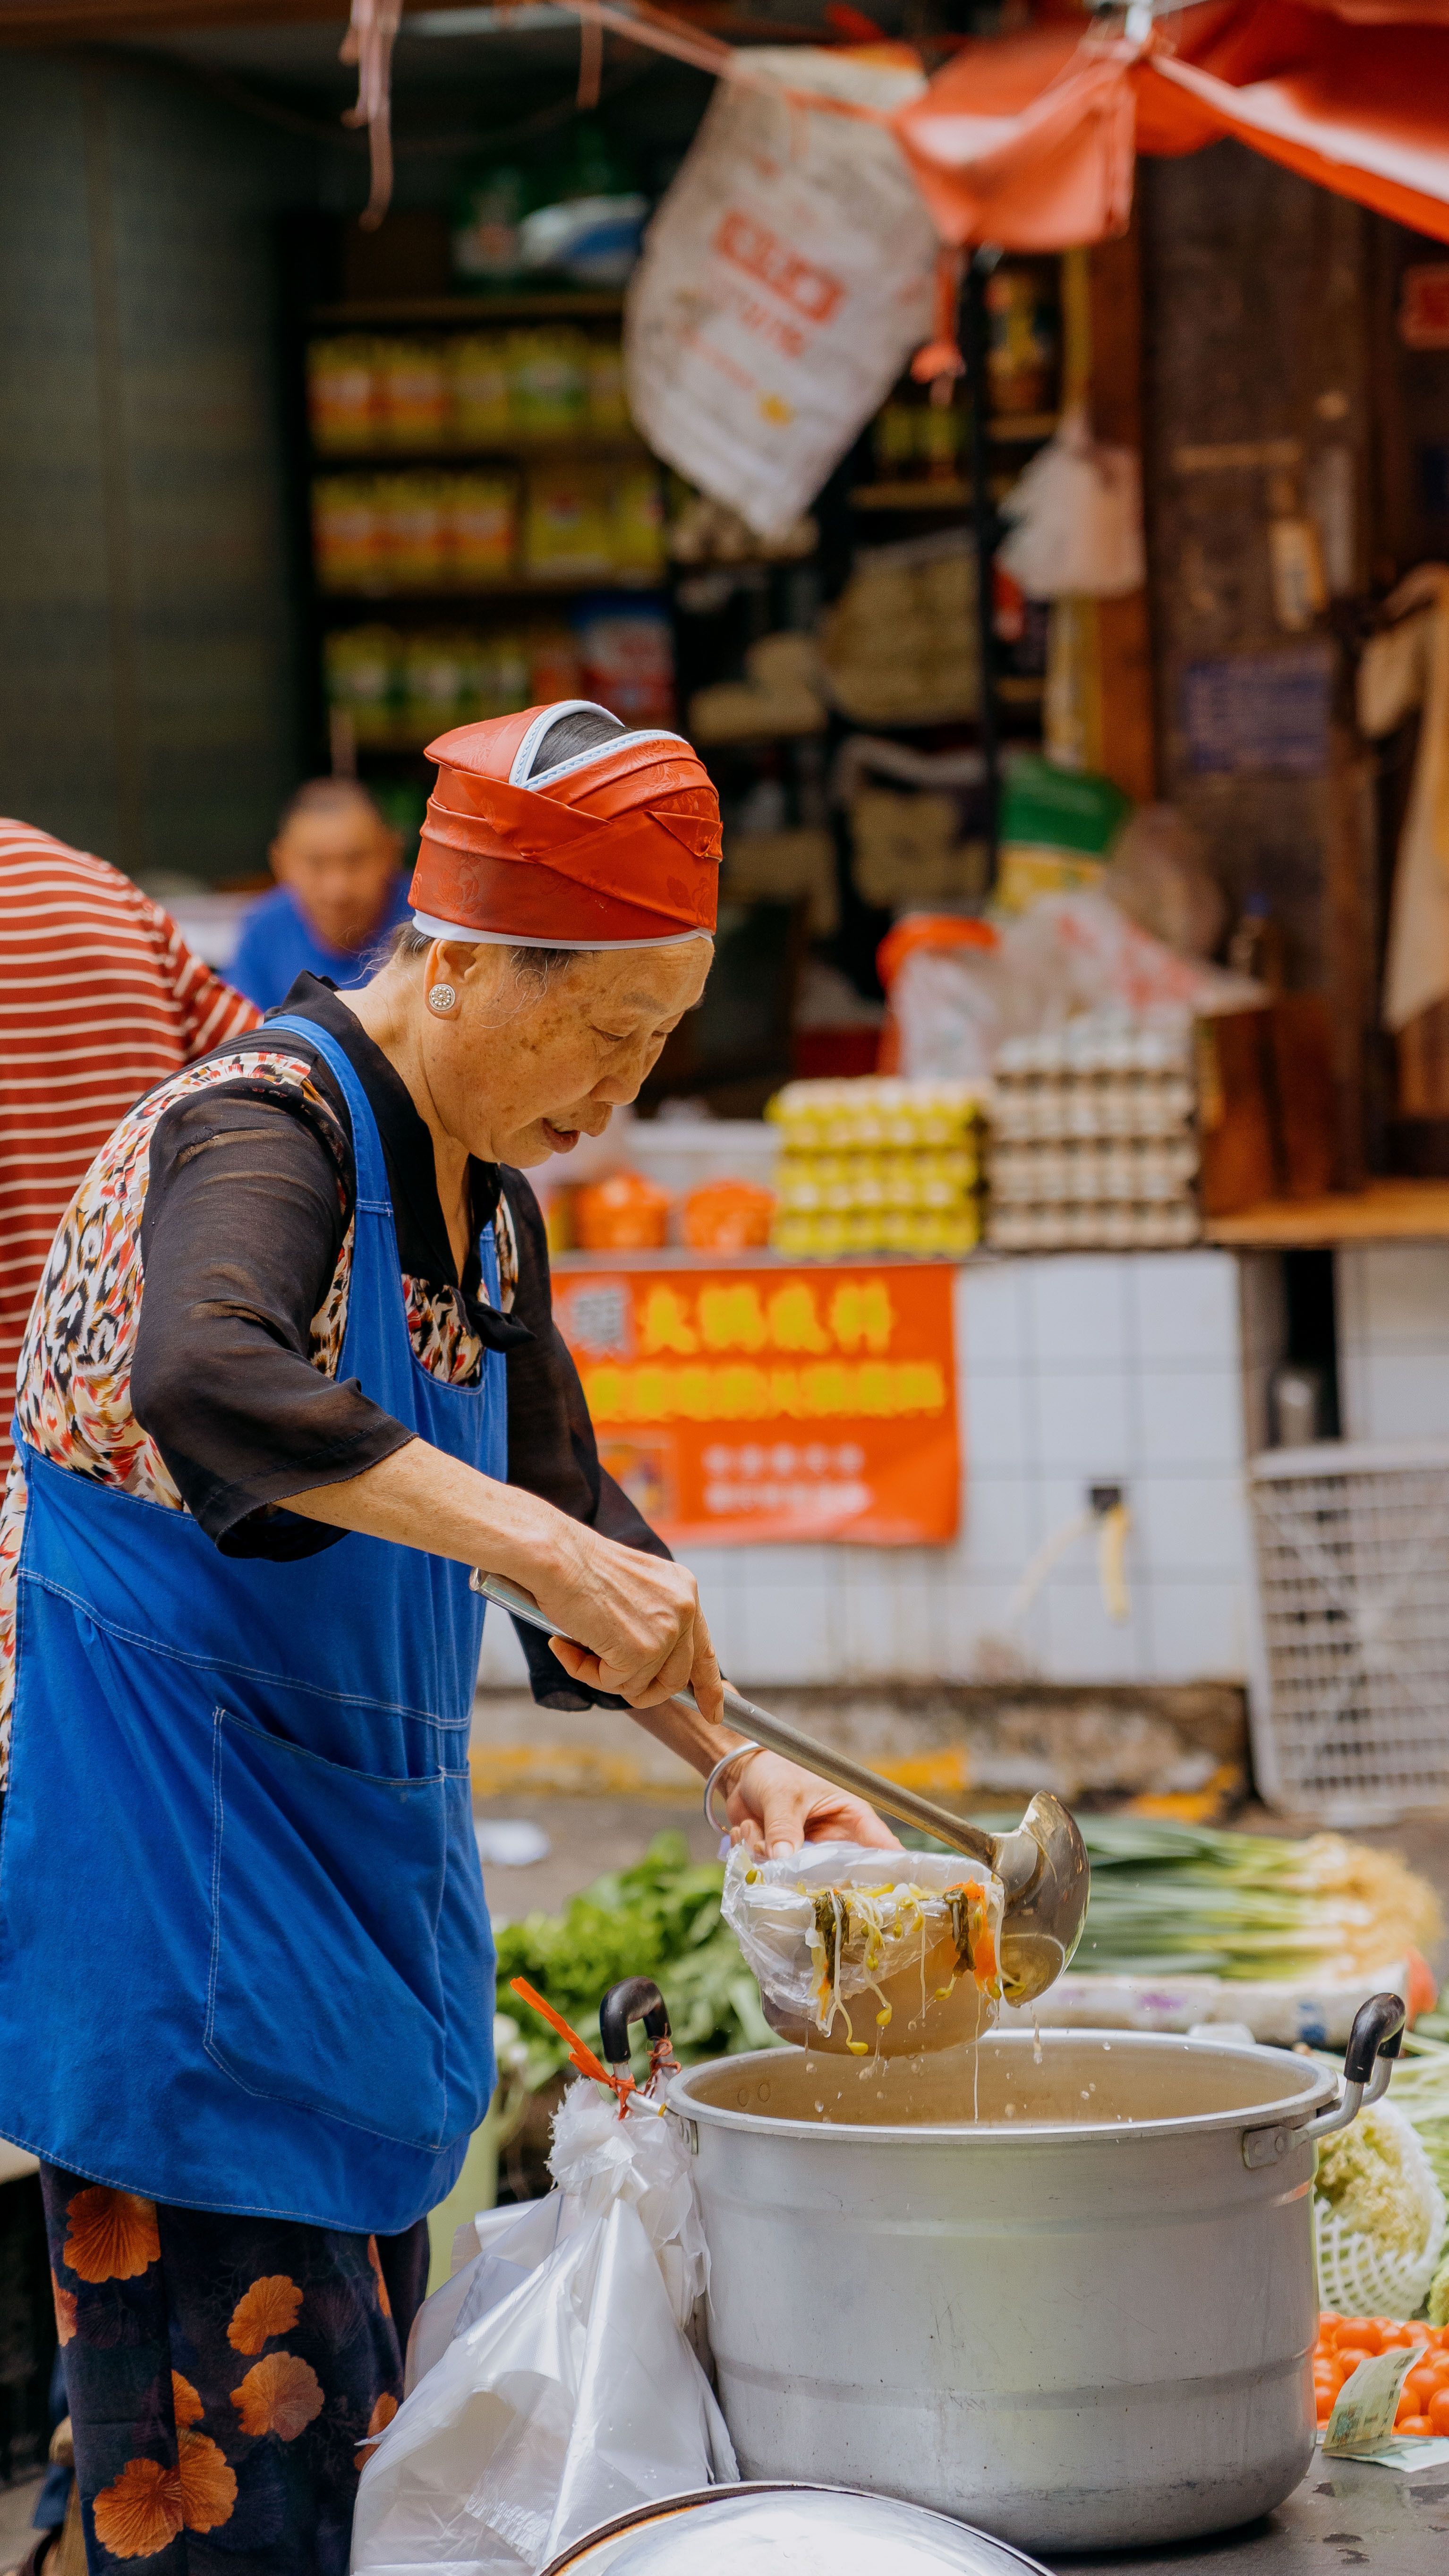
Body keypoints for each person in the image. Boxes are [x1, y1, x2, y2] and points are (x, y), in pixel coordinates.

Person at [0, 701, 893, 2575]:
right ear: (469, 959)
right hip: (173, 1936)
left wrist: (750, 1769)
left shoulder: (483, 1214)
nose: (623, 1092)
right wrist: (536, 1550)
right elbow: (207, 1373)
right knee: (208, 2519)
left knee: (347, 2490)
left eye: (657, 1042)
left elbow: (580, 1535)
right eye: (608, 1032)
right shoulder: (264, 1131)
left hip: (342, 1936)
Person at [228, 777, 413, 1007]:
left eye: (356, 860)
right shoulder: (262, 931)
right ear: (281, 862)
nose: (337, 888)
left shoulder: (433, 923)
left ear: (391, 853)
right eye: (315, 863)